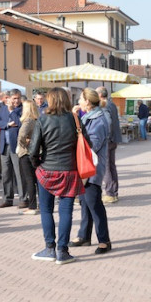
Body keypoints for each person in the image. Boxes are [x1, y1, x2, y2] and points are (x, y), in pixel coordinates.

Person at [28, 87, 84, 264]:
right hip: (69, 169)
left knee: (46, 209)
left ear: (50, 100)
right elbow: (86, 143)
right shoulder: (75, 119)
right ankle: (62, 250)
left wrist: (38, 165)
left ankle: (49, 248)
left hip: (47, 169)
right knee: (66, 210)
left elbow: (33, 150)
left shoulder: (43, 119)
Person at [71, 88, 112, 254]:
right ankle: (84, 235)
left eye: (80, 99)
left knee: (94, 203)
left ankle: (104, 240)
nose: (78, 102)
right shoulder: (88, 116)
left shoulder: (99, 120)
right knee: (84, 201)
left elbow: (92, 145)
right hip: (84, 166)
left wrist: (75, 121)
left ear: (87, 101)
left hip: (92, 167)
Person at [0, 89, 24, 208]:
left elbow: (20, 123)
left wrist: (12, 112)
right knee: (6, 173)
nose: (16, 101)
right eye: (14, 98)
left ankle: (23, 198)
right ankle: (7, 199)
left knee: (19, 174)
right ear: (9, 99)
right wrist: (7, 124)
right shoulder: (3, 109)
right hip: (4, 145)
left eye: (18, 98)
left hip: (16, 146)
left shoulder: (22, 109)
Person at [97, 86, 121, 204]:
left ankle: (110, 193)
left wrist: (106, 136)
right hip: (114, 139)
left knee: (106, 167)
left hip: (108, 140)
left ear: (100, 95)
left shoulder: (104, 105)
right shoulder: (112, 104)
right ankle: (114, 192)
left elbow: (109, 122)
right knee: (111, 166)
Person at [15, 100, 39, 214]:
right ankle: (37, 204)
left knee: (29, 180)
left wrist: (24, 144)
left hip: (25, 153)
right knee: (35, 180)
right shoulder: (36, 120)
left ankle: (32, 206)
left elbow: (21, 136)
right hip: (35, 152)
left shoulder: (28, 121)